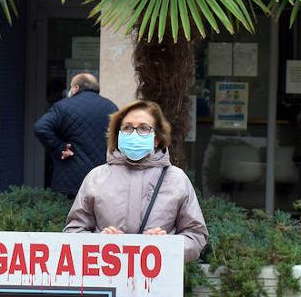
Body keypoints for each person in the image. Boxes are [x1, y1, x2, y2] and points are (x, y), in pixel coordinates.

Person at [65, 100, 207, 263]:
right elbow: (73, 231)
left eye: (143, 128)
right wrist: (98, 243)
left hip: (159, 276)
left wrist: (168, 247)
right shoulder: (96, 177)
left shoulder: (176, 179)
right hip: (106, 275)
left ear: (157, 139)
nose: (134, 134)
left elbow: (196, 236)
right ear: (118, 135)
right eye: (127, 128)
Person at [33, 73, 118, 199]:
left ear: (76, 88)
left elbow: (41, 127)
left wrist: (59, 147)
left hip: (70, 181)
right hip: (103, 178)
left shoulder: (63, 106)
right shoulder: (111, 107)